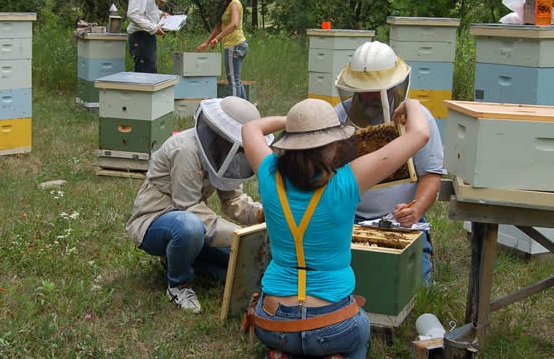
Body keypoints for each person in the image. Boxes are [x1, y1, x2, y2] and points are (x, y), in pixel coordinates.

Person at [241, 98, 429, 359]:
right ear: (331, 144)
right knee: (359, 332)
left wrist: (296, 124)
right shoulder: (348, 180)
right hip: (334, 327)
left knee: (290, 338)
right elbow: (420, 133)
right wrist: (411, 103)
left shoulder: (267, 172)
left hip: (273, 324)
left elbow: (250, 128)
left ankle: (285, 353)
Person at [126, 97, 271, 313]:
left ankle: (178, 258)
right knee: (190, 227)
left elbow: (232, 199)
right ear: (221, 133)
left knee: (241, 267)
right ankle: (178, 284)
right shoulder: (185, 149)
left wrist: (261, 215)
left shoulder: (222, 151)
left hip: (192, 224)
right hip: (154, 222)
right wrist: (241, 235)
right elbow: (189, 208)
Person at [334, 41, 446, 284]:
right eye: (363, 89)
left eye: (376, 90)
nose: (368, 97)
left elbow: (431, 176)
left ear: (395, 87)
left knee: (412, 285)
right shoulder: (339, 116)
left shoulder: (419, 120)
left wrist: (415, 209)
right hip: (347, 215)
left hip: (399, 220)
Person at [197, 0, 248, 99]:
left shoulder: (234, 4)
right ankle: (246, 109)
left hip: (234, 46)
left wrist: (218, 38)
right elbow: (219, 26)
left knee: (233, 81)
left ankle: (235, 112)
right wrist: (207, 42)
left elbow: (234, 24)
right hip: (236, 45)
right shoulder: (228, 4)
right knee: (236, 80)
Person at [126, 0, 174, 73]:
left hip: (145, 37)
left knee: (149, 72)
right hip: (140, 37)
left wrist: (160, 14)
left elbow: (147, 11)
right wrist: (154, 28)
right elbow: (133, 14)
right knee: (145, 75)